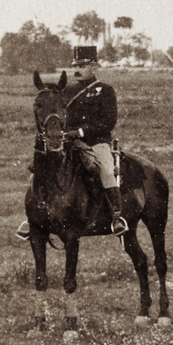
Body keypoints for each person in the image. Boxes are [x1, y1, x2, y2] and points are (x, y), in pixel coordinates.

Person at [64, 65, 128, 234]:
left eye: (83, 66)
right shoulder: (68, 90)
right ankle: (33, 217)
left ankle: (116, 216)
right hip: (71, 142)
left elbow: (109, 122)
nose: (78, 70)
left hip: (96, 142)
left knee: (106, 170)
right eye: (76, 65)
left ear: (93, 67)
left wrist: (79, 132)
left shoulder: (105, 90)